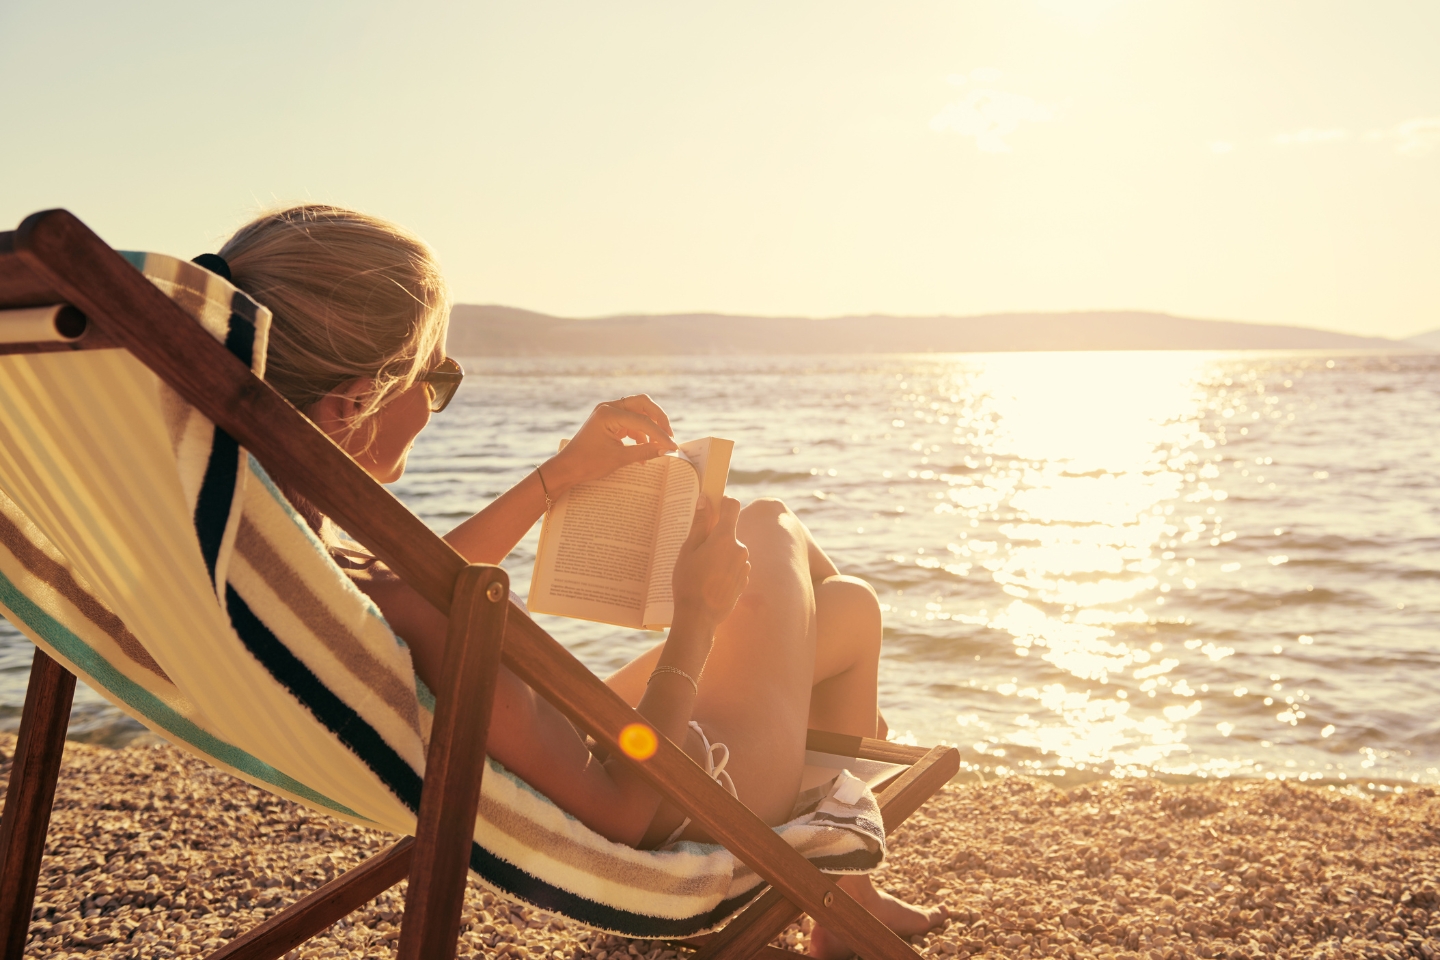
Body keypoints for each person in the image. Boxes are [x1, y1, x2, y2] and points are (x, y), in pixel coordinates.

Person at [216, 204, 946, 958]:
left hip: (616, 749)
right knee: (772, 526)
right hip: (689, 795)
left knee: (845, 609)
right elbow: (628, 812)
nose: (437, 400)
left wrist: (556, 480)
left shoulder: (282, 547)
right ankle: (841, 840)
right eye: (436, 378)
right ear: (351, 405)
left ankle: (848, 881)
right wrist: (695, 616)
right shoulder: (393, 601)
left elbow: (416, 582)